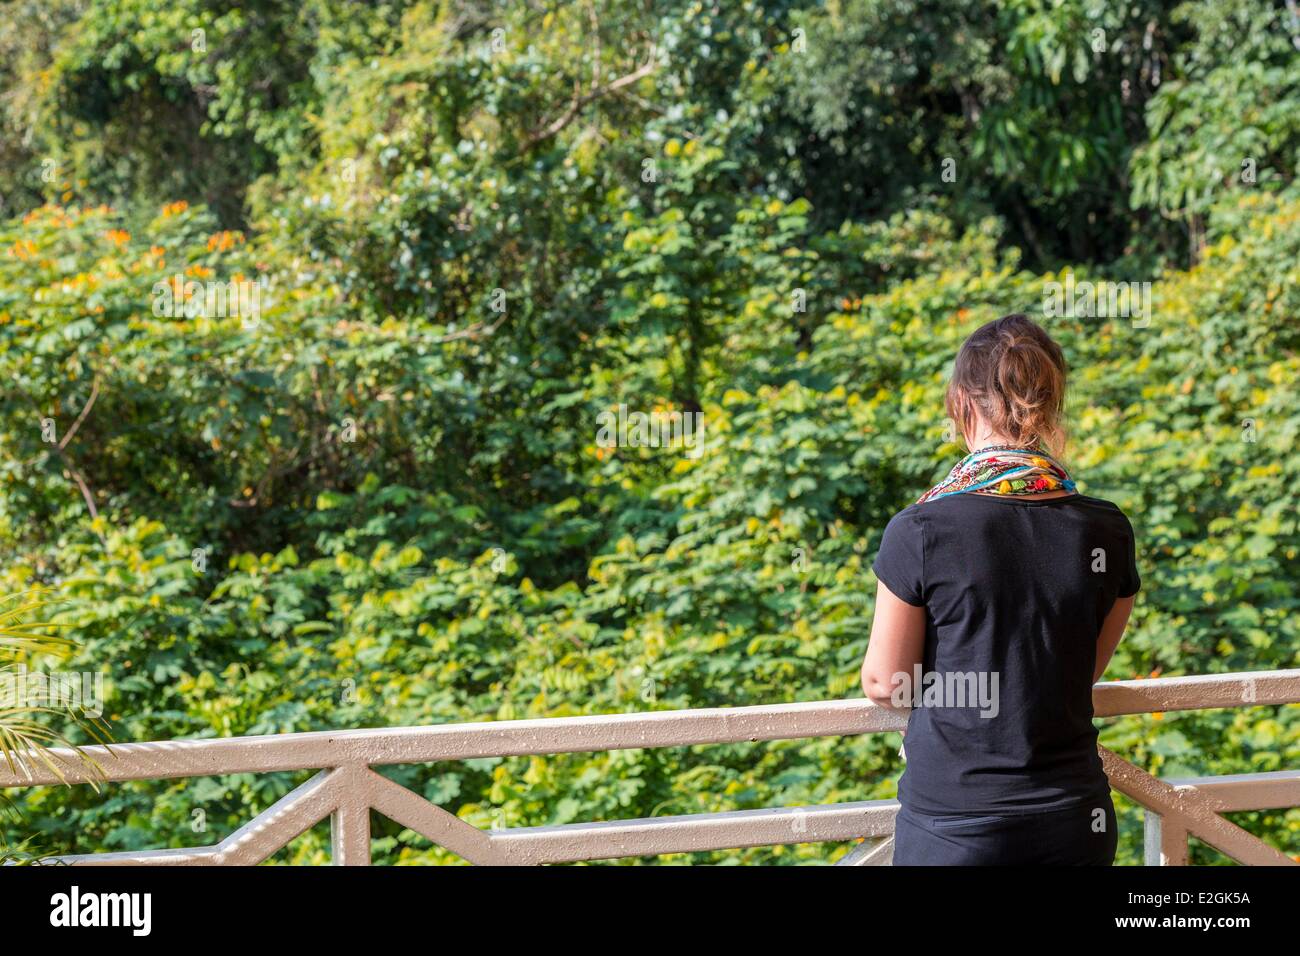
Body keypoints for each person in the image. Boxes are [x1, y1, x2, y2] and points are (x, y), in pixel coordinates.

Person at [861, 313, 1139, 865]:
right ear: (1052, 405)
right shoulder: (1106, 528)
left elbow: (884, 683)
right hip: (1076, 815)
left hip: (958, 821)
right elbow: (1082, 667)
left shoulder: (921, 529)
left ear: (962, 404)